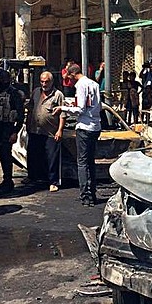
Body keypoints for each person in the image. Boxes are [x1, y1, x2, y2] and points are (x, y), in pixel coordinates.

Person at [54, 65, 101, 206]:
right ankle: (92, 191)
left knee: (82, 162)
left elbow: (80, 109)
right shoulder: (94, 84)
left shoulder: (81, 85)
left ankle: (85, 195)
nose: (70, 81)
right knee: (90, 161)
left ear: (73, 74)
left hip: (84, 126)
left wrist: (63, 108)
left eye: (70, 78)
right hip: (95, 126)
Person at [26, 71, 65, 192]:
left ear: (51, 82)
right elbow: (31, 108)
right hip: (35, 130)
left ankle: (53, 181)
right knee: (33, 155)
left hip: (50, 132)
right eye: (42, 81)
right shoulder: (36, 92)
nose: (44, 84)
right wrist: (27, 124)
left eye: (46, 81)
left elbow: (63, 114)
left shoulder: (58, 95)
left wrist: (60, 130)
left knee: (52, 158)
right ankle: (33, 177)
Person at [0, 67, 24, 193]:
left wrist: (15, 131)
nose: (1, 81)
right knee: (2, 156)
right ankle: (5, 180)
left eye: (3, 79)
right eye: (0, 79)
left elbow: (20, 115)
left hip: (8, 128)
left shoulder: (14, 94)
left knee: (6, 156)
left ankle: (8, 181)